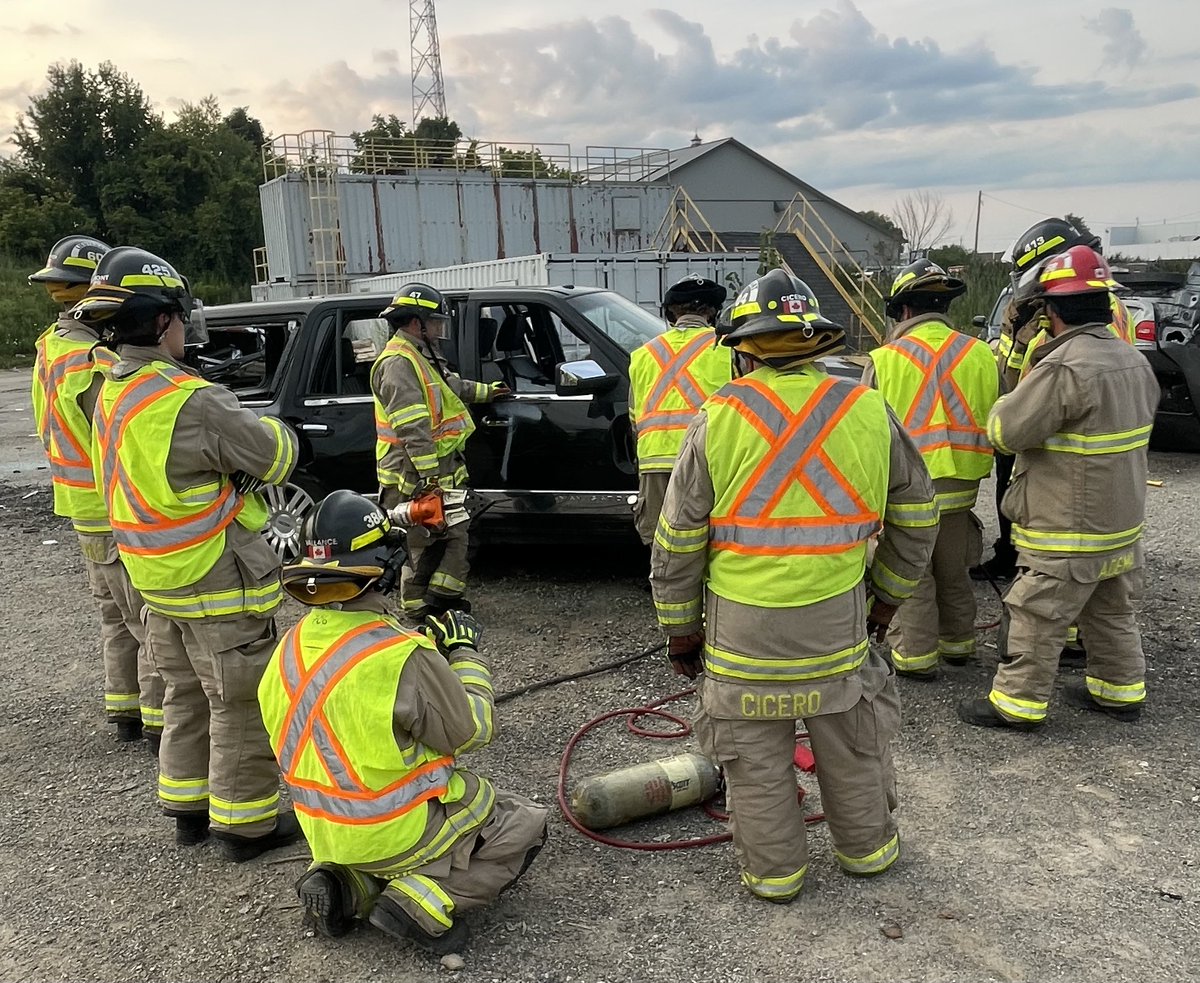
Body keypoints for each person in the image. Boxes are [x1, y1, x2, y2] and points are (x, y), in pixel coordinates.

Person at [650, 269, 937, 902]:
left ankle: (776, 877)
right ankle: (868, 854)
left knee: (753, 762)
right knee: (851, 743)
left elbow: (676, 541)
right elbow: (917, 517)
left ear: (744, 348)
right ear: (815, 343)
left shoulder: (716, 418)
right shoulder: (867, 408)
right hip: (838, 624)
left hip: (742, 634)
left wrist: (680, 632)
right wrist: (887, 599)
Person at [76, 246, 304, 860]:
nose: (185, 324)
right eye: (179, 314)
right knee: (239, 699)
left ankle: (188, 810)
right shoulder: (192, 398)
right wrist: (271, 427)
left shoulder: (110, 393)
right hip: (212, 578)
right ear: (160, 321)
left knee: (183, 693)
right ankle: (245, 827)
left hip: (155, 579)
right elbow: (274, 457)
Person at [258, 490, 548, 955]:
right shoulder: (399, 654)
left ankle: (348, 886)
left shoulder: (289, 648)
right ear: (388, 565)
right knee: (521, 822)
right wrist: (462, 654)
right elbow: (473, 729)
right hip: (395, 826)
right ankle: (422, 903)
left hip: (324, 829)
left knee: (383, 840)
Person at [958, 245, 1159, 730]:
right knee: (1110, 609)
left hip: (1068, 526)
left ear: (1050, 310)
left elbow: (1006, 431)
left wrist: (1027, 363)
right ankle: (1120, 690)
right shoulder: (1132, 360)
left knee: (1036, 610)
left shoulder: (1063, 368)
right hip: (1119, 522)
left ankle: (1017, 703)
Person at [29, 235, 165, 747]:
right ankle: (157, 721)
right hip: (109, 506)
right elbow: (113, 432)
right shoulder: (90, 359)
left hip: (78, 504)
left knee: (114, 614)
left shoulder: (51, 346)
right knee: (145, 617)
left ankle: (125, 710)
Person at [976, 217, 1134, 585]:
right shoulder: (1090, 306)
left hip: (1063, 426)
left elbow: (1057, 373)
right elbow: (1014, 363)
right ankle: (1012, 555)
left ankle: (1065, 625)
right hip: (1060, 417)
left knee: (1067, 547)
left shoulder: (1076, 318)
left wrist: (1014, 403)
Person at [861, 260, 998, 678]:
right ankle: (959, 644)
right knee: (953, 569)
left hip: (909, 488)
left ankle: (914, 657)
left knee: (913, 574)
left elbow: (864, 431)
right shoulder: (978, 353)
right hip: (963, 486)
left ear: (902, 311)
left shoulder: (884, 359)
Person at [371, 283, 507, 618]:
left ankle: (441, 600)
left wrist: (488, 392)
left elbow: (451, 387)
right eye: (436, 322)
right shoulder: (399, 363)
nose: (440, 329)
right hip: (413, 474)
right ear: (417, 323)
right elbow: (412, 427)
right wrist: (430, 478)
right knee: (420, 543)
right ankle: (419, 610)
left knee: (453, 536)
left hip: (436, 471)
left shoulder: (421, 355)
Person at [627, 274, 731, 545]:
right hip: (710, 459)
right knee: (712, 539)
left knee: (664, 544)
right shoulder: (729, 351)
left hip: (655, 464)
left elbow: (634, 419)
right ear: (713, 312)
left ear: (671, 314)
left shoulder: (642, 356)